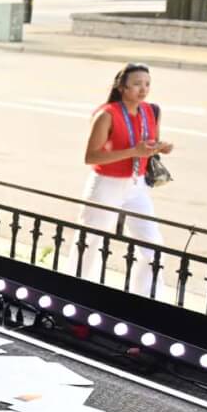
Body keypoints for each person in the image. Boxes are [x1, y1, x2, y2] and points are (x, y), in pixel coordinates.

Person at [79, 62, 173, 295]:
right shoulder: (107, 114)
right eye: (137, 84)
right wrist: (134, 151)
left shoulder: (151, 111)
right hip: (106, 184)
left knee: (152, 244)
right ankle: (77, 290)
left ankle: (148, 297)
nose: (143, 89)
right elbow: (91, 156)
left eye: (147, 84)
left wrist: (159, 147)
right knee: (90, 241)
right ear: (121, 87)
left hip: (137, 184)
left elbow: (145, 146)